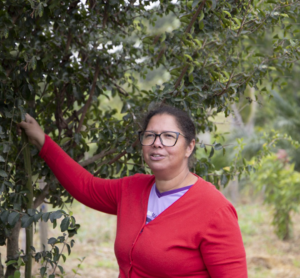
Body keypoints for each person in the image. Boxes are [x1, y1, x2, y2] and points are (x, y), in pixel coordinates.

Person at [18, 105, 248, 278]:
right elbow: (85, 186)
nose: (157, 143)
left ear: (189, 147)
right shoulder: (132, 189)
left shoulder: (214, 209)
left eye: (169, 137)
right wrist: (41, 140)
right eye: (150, 136)